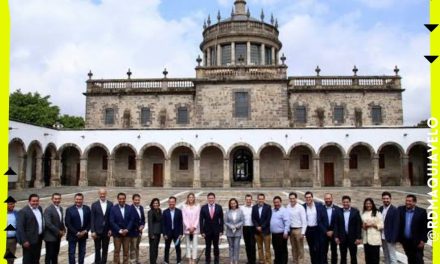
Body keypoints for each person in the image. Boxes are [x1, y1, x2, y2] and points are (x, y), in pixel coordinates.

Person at [398, 194, 428, 264]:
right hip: (406, 241)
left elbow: (425, 227)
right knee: (410, 259)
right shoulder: (400, 209)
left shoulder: (421, 212)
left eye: (409, 201)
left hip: (417, 242)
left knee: (418, 259)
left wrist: (423, 240)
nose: (407, 202)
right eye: (406, 201)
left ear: (414, 202)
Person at [17, 193, 44, 264]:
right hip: (28, 241)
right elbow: (20, 227)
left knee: (36, 257)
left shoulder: (40, 208)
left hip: (38, 238)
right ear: (29, 201)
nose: (35, 202)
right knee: (27, 259)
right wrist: (24, 240)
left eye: (37, 201)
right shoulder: (23, 211)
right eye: (33, 201)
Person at [65, 193, 91, 264]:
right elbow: (67, 223)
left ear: (82, 200)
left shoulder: (87, 209)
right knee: (71, 253)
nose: (78, 201)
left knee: (82, 252)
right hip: (72, 235)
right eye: (77, 199)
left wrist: (85, 231)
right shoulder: (69, 210)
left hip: (83, 234)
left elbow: (90, 221)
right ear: (74, 199)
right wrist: (77, 233)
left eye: (80, 199)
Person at [335, 195, 362, 264]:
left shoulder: (355, 212)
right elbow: (336, 225)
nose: (345, 203)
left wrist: (358, 237)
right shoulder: (338, 211)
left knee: (353, 256)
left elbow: (358, 225)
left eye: (347, 202)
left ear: (350, 202)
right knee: (343, 256)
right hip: (342, 237)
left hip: (352, 238)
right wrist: (336, 236)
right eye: (344, 202)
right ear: (342, 203)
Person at [200, 192, 224, 264]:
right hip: (207, 231)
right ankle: (207, 261)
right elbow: (201, 220)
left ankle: (216, 261)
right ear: (207, 199)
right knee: (208, 247)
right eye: (209, 198)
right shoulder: (203, 208)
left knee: (216, 246)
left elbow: (221, 220)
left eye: (212, 198)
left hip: (216, 231)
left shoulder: (219, 207)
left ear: (214, 199)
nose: (211, 199)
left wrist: (221, 230)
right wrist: (202, 231)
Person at [91, 188, 113, 264]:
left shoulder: (110, 204)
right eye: (101, 193)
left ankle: (103, 262)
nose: (102, 195)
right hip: (97, 231)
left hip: (106, 231)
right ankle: (97, 262)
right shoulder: (94, 205)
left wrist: (110, 229)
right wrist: (93, 231)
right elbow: (92, 218)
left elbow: (111, 218)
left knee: (105, 248)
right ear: (99, 194)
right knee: (97, 248)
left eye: (104, 193)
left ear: (106, 194)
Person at [109, 192, 133, 264]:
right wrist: (119, 230)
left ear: (125, 199)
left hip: (127, 234)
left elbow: (132, 220)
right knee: (116, 251)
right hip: (117, 234)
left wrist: (127, 229)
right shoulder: (113, 208)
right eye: (120, 199)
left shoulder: (130, 208)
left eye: (123, 199)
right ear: (118, 199)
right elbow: (112, 221)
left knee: (126, 251)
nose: (121, 200)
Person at [303, 191, 325, 264]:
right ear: (305, 198)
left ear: (312, 197)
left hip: (317, 229)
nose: (308, 198)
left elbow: (323, 217)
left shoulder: (319, 205)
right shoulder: (303, 207)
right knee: (312, 249)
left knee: (319, 248)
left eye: (310, 197)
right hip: (309, 230)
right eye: (307, 197)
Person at [43, 193, 65, 264]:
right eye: (55, 199)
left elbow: (60, 221)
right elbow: (48, 224)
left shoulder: (60, 208)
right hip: (50, 237)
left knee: (55, 254)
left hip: (57, 237)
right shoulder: (48, 209)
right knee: (49, 256)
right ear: (52, 199)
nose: (57, 200)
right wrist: (59, 231)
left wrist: (64, 229)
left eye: (59, 199)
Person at [379, 191, 400, 264]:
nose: (385, 200)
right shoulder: (381, 208)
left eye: (387, 198)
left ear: (390, 199)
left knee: (392, 256)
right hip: (382, 236)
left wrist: (394, 238)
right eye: (384, 199)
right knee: (386, 255)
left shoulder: (394, 210)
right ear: (382, 199)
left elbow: (396, 225)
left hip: (390, 237)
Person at [361, 198, 383, 264]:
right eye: (366, 203)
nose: (368, 205)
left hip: (375, 240)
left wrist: (373, 225)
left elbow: (381, 225)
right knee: (368, 259)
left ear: (372, 204)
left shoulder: (377, 213)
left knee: (375, 259)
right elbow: (363, 227)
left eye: (369, 203)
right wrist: (364, 226)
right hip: (366, 240)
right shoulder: (363, 213)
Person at [286, 192, 307, 264]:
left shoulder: (300, 207)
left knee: (300, 248)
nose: (292, 200)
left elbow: (304, 221)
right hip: (291, 230)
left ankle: (300, 262)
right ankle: (295, 261)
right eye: (291, 198)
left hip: (299, 230)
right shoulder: (288, 206)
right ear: (289, 199)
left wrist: (303, 232)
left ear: (296, 198)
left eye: (293, 198)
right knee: (293, 248)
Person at [162, 196, 183, 264]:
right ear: (168, 202)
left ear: (175, 202)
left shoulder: (179, 211)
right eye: (170, 202)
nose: (171, 203)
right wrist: (164, 234)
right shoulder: (165, 212)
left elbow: (181, 223)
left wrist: (181, 233)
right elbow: (163, 224)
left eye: (173, 202)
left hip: (176, 233)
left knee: (178, 248)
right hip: (168, 233)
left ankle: (179, 261)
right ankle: (166, 261)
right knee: (167, 248)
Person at [252, 193, 272, 264]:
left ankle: (268, 261)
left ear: (264, 199)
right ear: (257, 199)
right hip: (257, 231)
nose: (260, 200)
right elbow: (253, 218)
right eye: (259, 199)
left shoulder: (268, 207)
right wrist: (257, 226)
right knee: (259, 248)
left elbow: (268, 219)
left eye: (262, 199)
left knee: (267, 248)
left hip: (266, 231)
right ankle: (261, 260)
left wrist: (262, 227)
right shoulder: (254, 207)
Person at [322, 193, 341, 264]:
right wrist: (326, 231)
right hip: (324, 233)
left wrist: (333, 231)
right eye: (326, 199)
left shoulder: (337, 209)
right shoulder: (321, 208)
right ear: (324, 199)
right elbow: (319, 221)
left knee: (334, 251)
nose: (328, 200)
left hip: (334, 233)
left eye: (329, 198)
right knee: (324, 251)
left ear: (332, 199)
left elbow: (338, 222)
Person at [270, 196, 290, 264]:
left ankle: (283, 262)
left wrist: (286, 232)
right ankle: (277, 262)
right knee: (276, 250)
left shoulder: (284, 211)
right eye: (275, 202)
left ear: (280, 202)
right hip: (274, 234)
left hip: (282, 234)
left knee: (283, 250)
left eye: (278, 202)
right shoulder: (272, 210)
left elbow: (287, 222)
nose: (276, 204)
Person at [182, 192, 200, 264]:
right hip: (187, 229)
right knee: (188, 244)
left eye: (192, 197)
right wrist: (188, 227)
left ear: (194, 198)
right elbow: (184, 217)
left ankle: (194, 259)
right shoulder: (184, 206)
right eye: (190, 197)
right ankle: (189, 258)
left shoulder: (197, 206)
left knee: (195, 244)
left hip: (195, 229)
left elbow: (198, 217)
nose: (191, 198)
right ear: (187, 198)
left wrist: (194, 226)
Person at [225, 198, 244, 264]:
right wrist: (231, 226)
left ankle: (236, 261)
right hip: (229, 232)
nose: (233, 205)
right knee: (231, 247)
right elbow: (225, 221)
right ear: (230, 204)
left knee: (236, 247)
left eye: (234, 203)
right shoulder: (227, 211)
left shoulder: (240, 211)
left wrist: (237, 226)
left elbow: (242, 221)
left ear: (236, 203)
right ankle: (231, 261)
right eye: (231, 203)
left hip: (237, 232)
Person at [129, 194, 145, 264]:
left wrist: (142, 225)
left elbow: (143, 218)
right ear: (133, 200)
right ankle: (132, 261)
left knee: (137, 246)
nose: (137, 201)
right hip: (133, 231)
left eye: (138, 200)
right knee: (133, 247)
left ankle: (137, 260)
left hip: (139, 231)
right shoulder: (130, 208)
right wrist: (138, 227)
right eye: (136, 200)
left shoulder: (141, 207)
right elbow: (131, 220)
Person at [240, 194, 256, 264]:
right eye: (247, 199)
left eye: (250, 199)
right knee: (247, 245)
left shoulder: (255, 207)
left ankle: (253, 260)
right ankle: (249, 260)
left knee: (253, 245)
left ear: (251, 200)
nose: (248, 201)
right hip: (245, 228)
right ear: (245, 200)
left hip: (253, 228)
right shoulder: (242, 208)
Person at [148, 198, 162, 264]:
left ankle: (154, 261)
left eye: (157, 203)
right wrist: (151, 234)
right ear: (152, 204)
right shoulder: (150, 212)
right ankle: (152, 262)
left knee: (156, 249)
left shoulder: (159, 210)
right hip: (153, 233)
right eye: (154, 203)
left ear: (158, 204)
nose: (155, 204)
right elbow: (150, 224)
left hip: (158, 232)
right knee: (152, 250)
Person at [6, 197, 18, 264]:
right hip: (3, 240)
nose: (12, 205)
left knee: (10, 259)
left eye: (13, 204)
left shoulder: (16, 213)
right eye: (10, 204)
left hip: (13, 240)